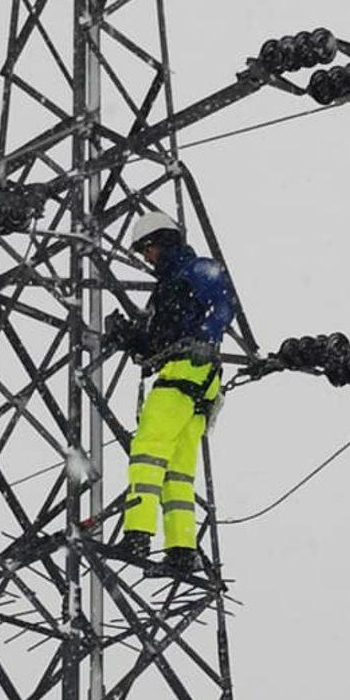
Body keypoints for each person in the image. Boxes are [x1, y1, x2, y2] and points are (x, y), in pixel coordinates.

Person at [106, 211, 235, 577]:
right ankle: (181, 549)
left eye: (147, 250)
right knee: (178, 470)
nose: (147, 258)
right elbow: (154, 345)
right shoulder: (169, 288)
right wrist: (129, 337)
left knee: (147, 451)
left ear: (161, 243)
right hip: (196, 381)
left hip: (185, 371)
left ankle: (137, 534)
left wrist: (206, 338)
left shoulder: (194, 271)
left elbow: (225, 305)